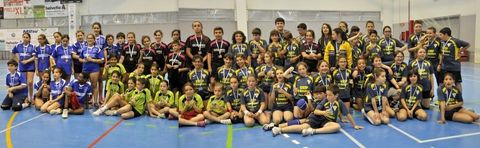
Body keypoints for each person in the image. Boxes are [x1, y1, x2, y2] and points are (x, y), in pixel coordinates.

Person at [271, 85, 363, 137]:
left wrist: (354, 125)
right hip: (317, 117)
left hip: (327, 121)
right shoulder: (325, 101)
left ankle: (312, 131)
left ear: (336, 95)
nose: (327, 97)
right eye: (327, 95)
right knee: (302, 127)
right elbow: (315, 111)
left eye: (330, 95)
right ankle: (280, 129)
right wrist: (324, 112)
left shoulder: (340, 102)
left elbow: (347, 114)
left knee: (337, 126)